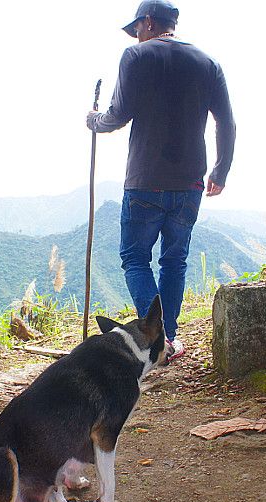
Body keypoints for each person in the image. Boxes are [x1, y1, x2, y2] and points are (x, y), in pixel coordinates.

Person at [87, 0, 235, 364]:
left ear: (149, 22)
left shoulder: (135, 57)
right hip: (190, 183)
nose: (136, 35)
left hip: (144, 181)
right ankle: (170, 338)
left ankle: (158, 340)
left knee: (135, 258)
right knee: (175, 261)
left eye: (137, 28)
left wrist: (94, 120)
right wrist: (220, 171)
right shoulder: (208, 63)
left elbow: (118, 115)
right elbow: (227, 122)